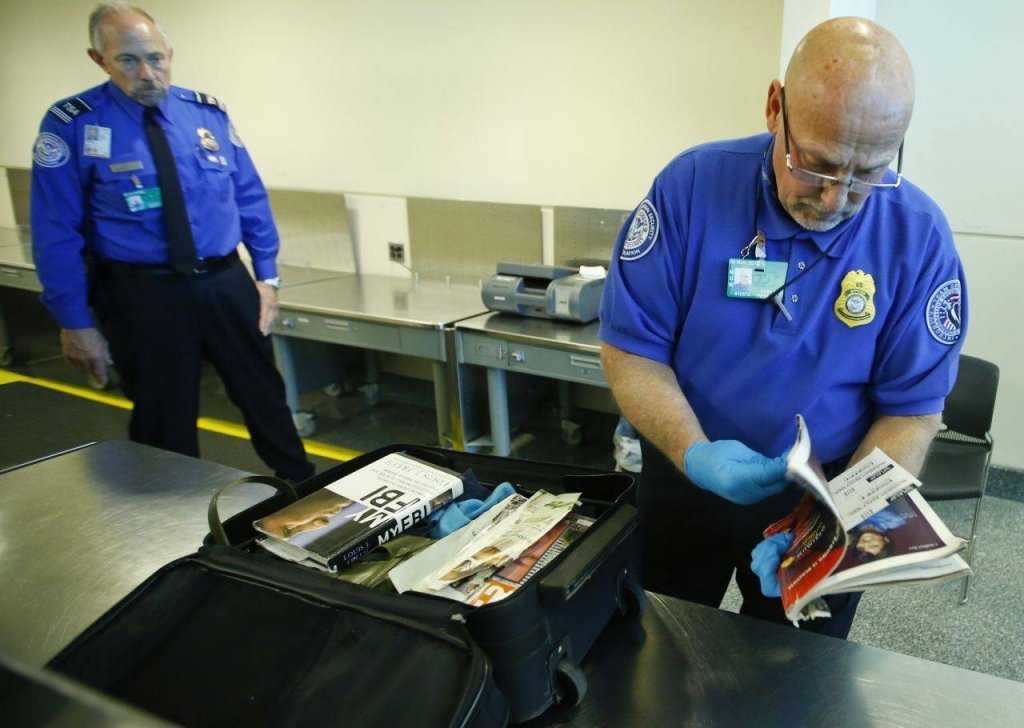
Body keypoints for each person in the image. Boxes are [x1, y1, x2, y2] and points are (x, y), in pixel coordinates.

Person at [598, 17, 966, 638]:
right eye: (818, 165)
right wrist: (696, 455)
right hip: (688, 467)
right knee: (656, 644)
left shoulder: (918, 236)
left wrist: (843, 514)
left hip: (827, 496)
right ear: (776, 108)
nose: (835, 200)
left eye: (867, 173)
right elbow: (631, 349)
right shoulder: (689, 189)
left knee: (797, 672)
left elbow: (912, 410)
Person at [30, 3, 313, 483]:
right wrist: (74, 322)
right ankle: (173, 516)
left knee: (265, 395)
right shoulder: (72, 124)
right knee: (165, 417)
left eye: (156, 58)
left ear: (170, 55)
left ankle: (306, 491)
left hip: (226, 281)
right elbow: (55, 232)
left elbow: (249, 196)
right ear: (99, 59)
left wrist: (266, 275)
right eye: (128, 61)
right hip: (143, 294)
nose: (147, 73)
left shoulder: (205, 114)